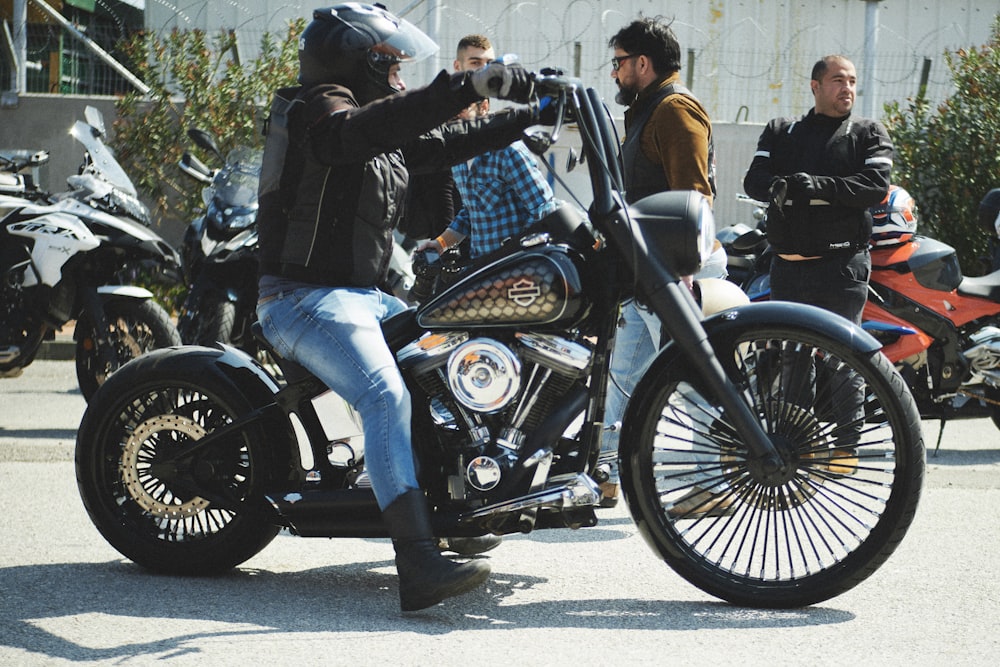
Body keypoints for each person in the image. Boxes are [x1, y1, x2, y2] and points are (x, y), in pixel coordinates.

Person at [254, 3, 542, 613]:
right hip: (302, 298)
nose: (399, 75)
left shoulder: (376, 124)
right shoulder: (321, 109)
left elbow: (444, 142)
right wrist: (467, 83)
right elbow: (356, 133)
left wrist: (530, 116)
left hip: (363, 298)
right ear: (358, 60)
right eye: (390, 63)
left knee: (452, 371)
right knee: (384, 396)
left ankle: (456, 508)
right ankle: (417, 565)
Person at [743, 55, 893, 466]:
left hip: (841, 267)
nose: (847, 88)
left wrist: (814, 188)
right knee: (793, 355)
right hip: (788, 266)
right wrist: (785, 187)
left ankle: (846, 448)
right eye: (837, 80)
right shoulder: (781, 130)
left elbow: (875, 185)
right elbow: (754, 182)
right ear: (815, 85)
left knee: (844, 355)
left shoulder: (866, 133)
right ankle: (799, 447)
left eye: (852, 81)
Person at [599, 15, 723, 511]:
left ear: (642, 64)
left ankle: (710, 485)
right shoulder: (648, 110)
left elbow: (694, 197)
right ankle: (603, 473)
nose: (614, 73)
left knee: (691, 380)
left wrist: (681, 277)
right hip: (647, 273)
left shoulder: (673, 110)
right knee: (621, 377)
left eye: (619, 63)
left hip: (676, 272)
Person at [420, 34, 560, 260]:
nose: (455, 114)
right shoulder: (456, 155)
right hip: (483, 269)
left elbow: (544, 209)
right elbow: (471, 212)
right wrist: (440, 243)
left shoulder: (507, 151)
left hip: (516, 270)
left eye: (463, 107)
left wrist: (517, 251)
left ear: (484, 107)